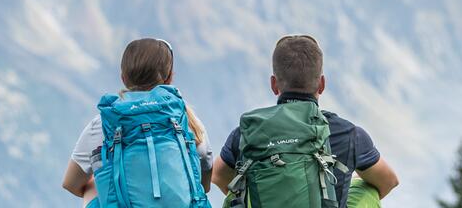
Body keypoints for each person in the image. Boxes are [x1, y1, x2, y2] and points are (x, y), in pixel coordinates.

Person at [212, 34, 399, 207]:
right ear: (322, 84)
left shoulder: (247, 131)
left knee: (236, 193)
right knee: (368, 189)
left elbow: (219, 176)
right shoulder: (349, 133)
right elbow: (389, 181)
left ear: (274, 84)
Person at [62, 38, 214, 206]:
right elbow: (204, 185)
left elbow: (71, 183)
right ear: (169, 78)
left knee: (94, 186)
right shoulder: (187, 121)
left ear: (123, 78)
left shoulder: (105, 123)